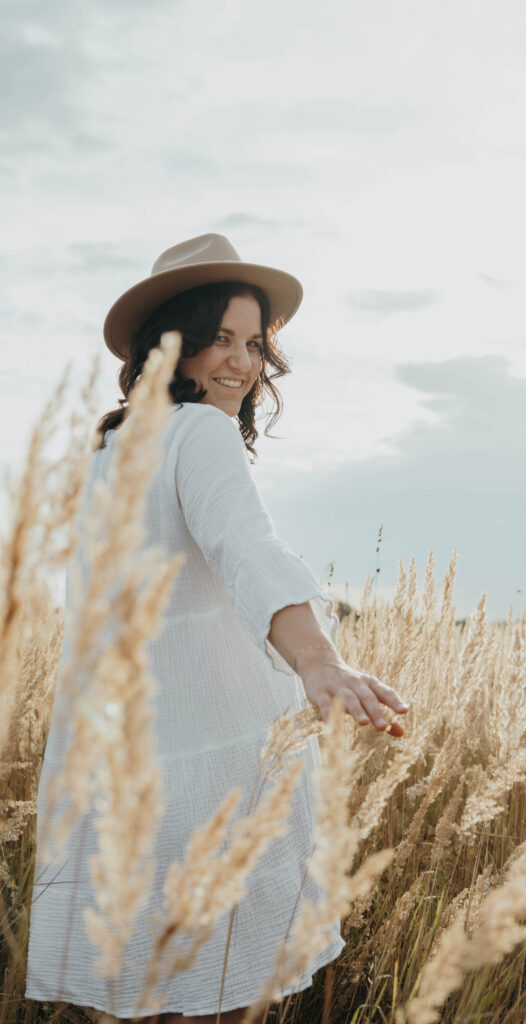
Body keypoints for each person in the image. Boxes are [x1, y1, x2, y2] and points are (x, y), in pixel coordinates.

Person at [24, 232, 410, 1024]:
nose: (240, 364)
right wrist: (318, 662)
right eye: (218, 341)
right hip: (214, 772)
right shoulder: (195, 434)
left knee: (139, 994)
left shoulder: (106, 451)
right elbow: (249, 548)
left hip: (119, 774)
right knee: (225, 993)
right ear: (171, 347)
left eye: (254, 344)